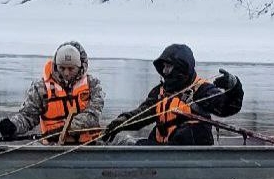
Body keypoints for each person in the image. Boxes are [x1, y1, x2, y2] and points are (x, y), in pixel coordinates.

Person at [104, 43, 243, 145]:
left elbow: (227, 107)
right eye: (163, 67)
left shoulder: (201, 90)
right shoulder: (160, 92)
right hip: (164, 152)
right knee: (136, 145)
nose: (164, 71)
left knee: (187, 132)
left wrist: (234, 87)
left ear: (181, 67)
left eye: (168, 67)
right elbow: (142, 114)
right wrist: (122, 122)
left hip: (193, 153)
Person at [0, 41, 105, 144]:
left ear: (79, 67)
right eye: (62, 68)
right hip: (52, 146)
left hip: (89, 143)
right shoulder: (41, 87)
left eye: (71, 69)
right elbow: (28, 116)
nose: (66, 73)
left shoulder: (93, 85)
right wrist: (13, 125)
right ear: (56, 65)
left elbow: (93, 114)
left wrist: (67, 128)